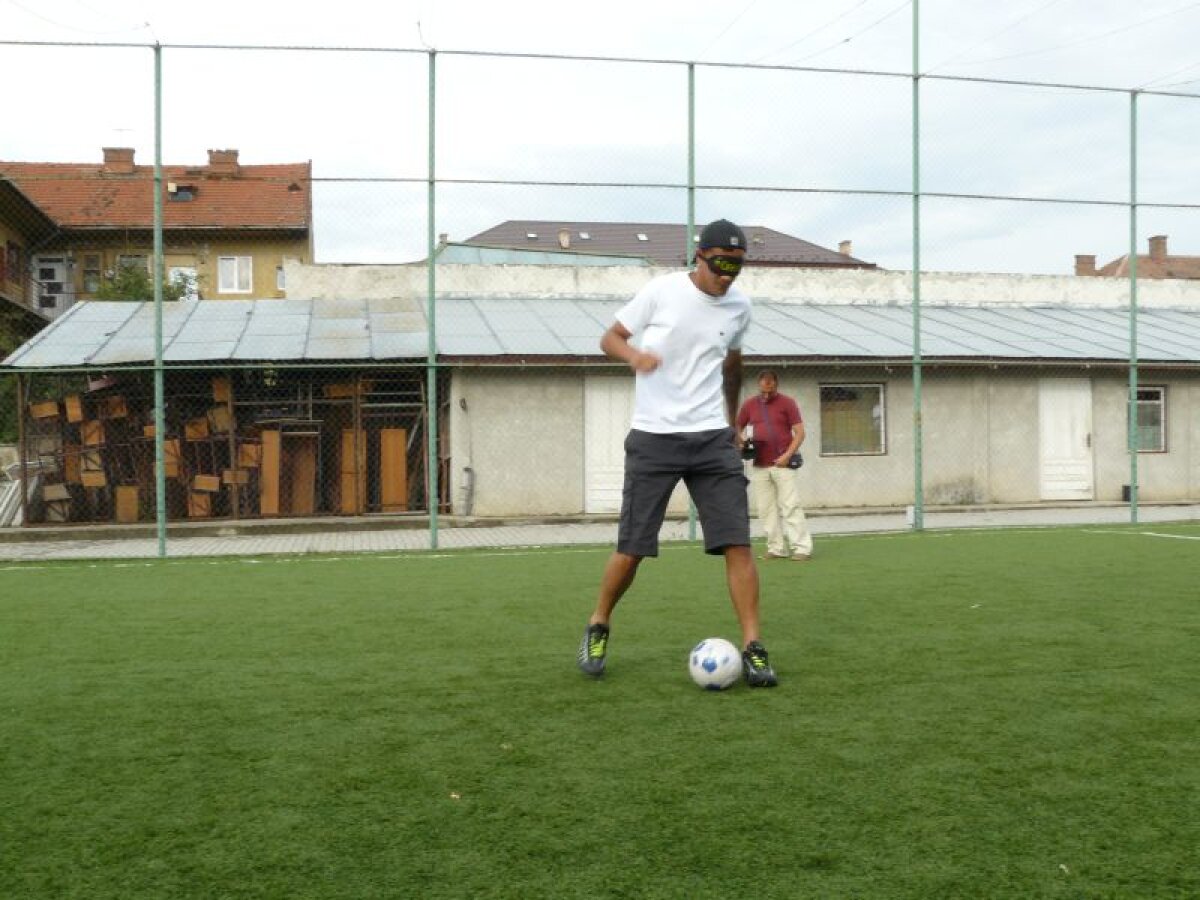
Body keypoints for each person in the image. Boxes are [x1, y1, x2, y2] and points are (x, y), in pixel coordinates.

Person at [576, 218, 778, 687]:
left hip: (711, 438)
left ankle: (754, 648)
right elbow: (610, 338)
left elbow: (733, 364)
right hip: (654, 437)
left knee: (738, 543)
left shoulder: (739, 306)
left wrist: (732, 422)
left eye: (737, 266)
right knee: (632, 549)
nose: (727, 274)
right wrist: (635, 357)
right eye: (721, 263)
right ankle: (598, 624)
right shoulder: (661, 291)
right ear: (700, 256)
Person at [736, 370, 814, 561]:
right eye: (763, 390)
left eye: (770, 390)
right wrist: (742, 441)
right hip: (759, 465)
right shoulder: (749, 405)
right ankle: (776, 548)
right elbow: (736, 427)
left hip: (783, 465)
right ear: (759, 385)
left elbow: (800, 433)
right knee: (766, 509)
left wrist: (787, 456)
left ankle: (802, 548)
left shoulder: (788, 403)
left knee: (790, 506)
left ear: (776, 385)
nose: (766, 394)